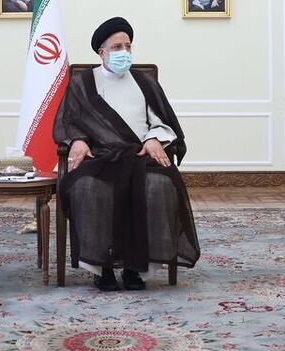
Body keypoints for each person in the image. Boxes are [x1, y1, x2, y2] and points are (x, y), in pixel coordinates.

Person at [54, 17, 200, 291]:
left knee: (160, 184)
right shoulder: (83, 83)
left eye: (128, 46)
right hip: (99, 158)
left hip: (139, 156)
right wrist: (78, 140)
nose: (124, 52)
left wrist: (154, 138)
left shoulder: (145, 82)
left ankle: (138, 268)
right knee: (87, 186)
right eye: (117, 47)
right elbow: (69, 121)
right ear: (102, 53)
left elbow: (162, 120)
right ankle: (102, 267)